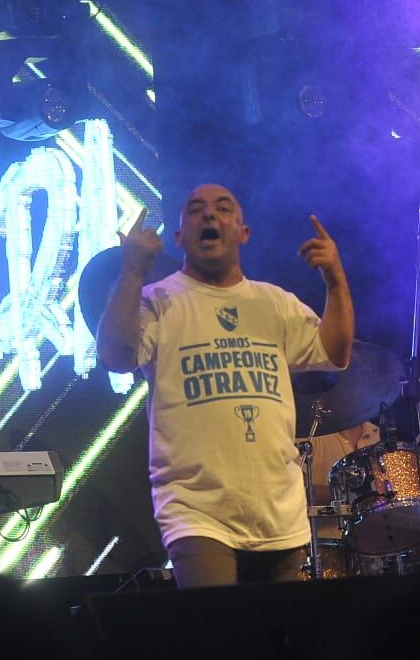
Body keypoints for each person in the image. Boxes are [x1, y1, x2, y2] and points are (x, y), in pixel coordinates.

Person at [97, 184, 354, 588]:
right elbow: (114, 356)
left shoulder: (274, 303)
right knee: (220, 634)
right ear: (179, 237)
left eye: (223, 208)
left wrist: (336, 281)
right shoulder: (157, 301)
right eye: (196, 209)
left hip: (279, 511)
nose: (210, 216)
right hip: (196, 509)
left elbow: (335, 352)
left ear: (243, 232)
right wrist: (132, 271)